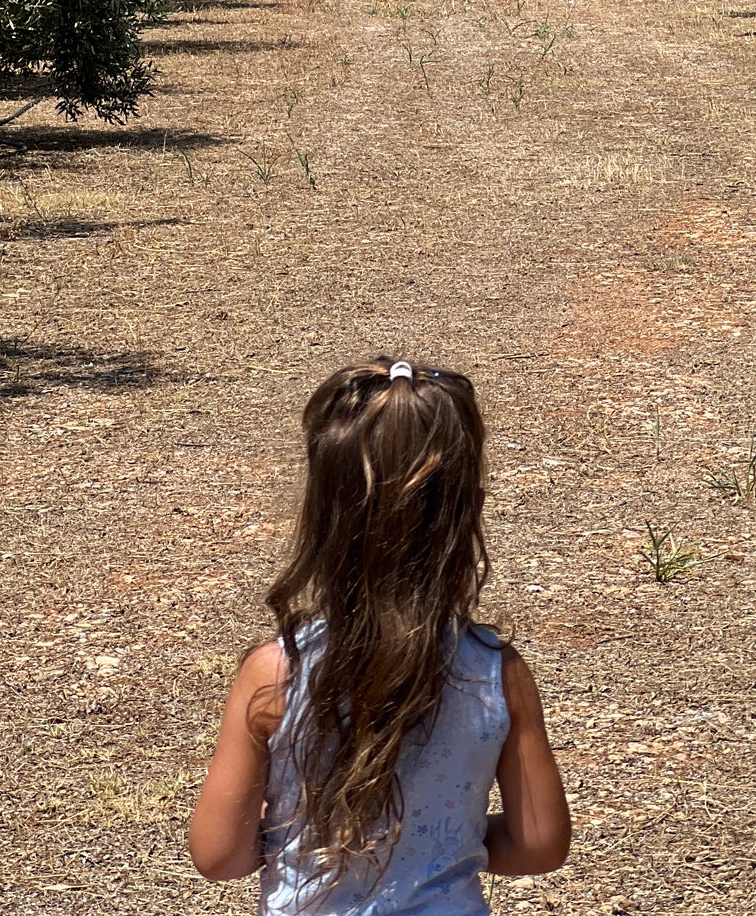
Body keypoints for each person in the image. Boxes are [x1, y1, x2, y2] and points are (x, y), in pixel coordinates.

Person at [188, 357, 572, 913]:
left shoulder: (276, 674)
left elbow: (219, 855)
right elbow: (538, 845)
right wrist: (447, 841)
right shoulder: (495, 673)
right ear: (468, 514)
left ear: (319, 515)